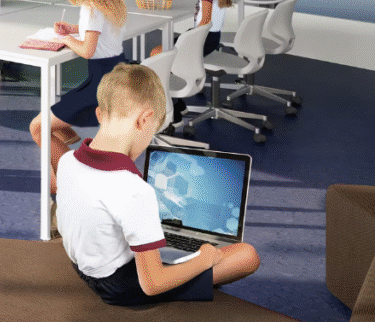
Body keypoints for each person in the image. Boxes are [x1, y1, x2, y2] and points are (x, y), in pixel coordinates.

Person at [57, 63, 260, 306]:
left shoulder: (67, 160)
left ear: (100, 114)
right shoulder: (133, 189)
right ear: (144, 120)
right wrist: (203, 259)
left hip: (82, 267)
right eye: (151, 132)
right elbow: (152, 284)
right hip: (119, 287)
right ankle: (190, 273)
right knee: (247, 255)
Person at [29, 0, 126, 192]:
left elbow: (87, 51)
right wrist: (73, 29)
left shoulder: (91, 6)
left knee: (38, 127)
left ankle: (72, 184)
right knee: (55, 124)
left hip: (100, 83)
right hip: (115, 73)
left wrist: (64, 40)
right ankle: (57, 181)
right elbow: (99, 34)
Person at [150, 0, 233, 119]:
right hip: (212, 38)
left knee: (156, 54)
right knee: (164, 51)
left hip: (202, 39)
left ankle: (173, 108)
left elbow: (205, 21)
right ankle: (176, 103)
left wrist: (189, 43)